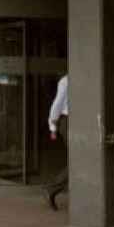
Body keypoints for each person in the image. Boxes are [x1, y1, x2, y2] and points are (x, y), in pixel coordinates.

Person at [45, 73, 69, 211]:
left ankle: (51, 189)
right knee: (77, 162)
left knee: (78, 161)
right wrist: (52, 127)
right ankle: (51, 189)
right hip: (68, 120)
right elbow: (58, 103)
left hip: (78, 120)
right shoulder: (66, 81)